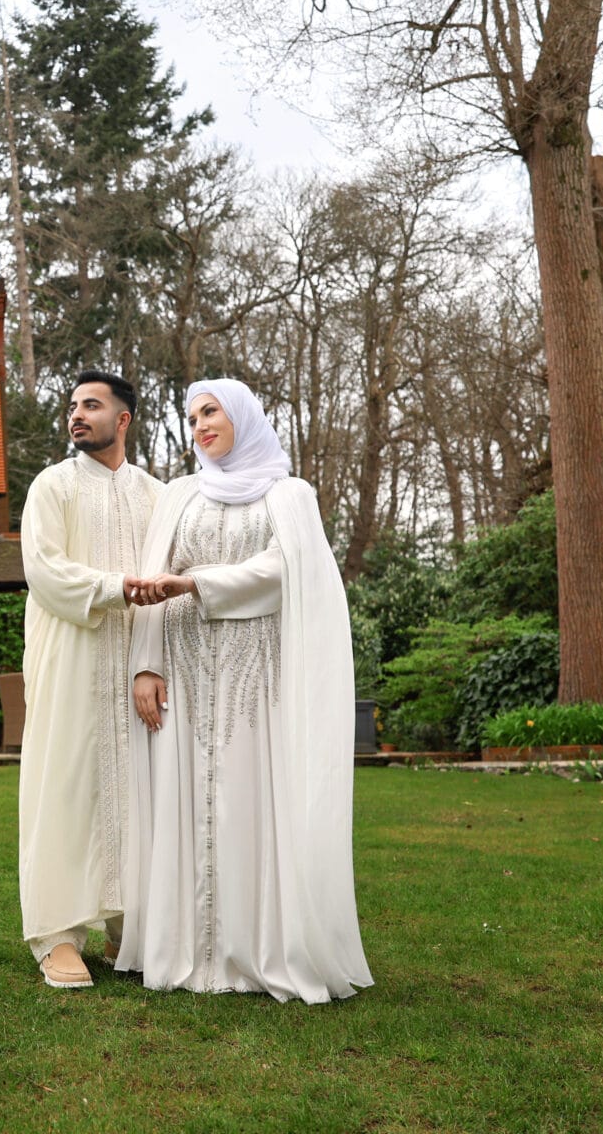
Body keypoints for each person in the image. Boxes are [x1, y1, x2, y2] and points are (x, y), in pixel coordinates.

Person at [115, 378, 372, 1003]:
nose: (200, 424)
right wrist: (145, 665)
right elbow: (155, 575)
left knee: (251, 798)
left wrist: (196, 584)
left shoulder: (290, 495)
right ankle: (184, 952)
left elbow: (287, 571)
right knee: (184, 797)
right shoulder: (180, 495)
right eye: (192, 415)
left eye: (212, 412)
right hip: (183, 669)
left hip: (256, 676)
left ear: (244, 418)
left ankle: (253, 953)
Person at [17, 370, 164, 989]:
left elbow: (167, 576)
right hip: (69, 657)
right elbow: (44, 570)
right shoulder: (52, 486)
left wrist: (152, 661)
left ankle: (130, 925)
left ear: (123, 419)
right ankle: (56, 936)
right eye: (73, 405)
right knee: (67, 784)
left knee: (141, 788)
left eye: (92, 405)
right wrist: (114, 588)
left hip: (135, 664)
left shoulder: (158, 496)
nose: (77, 414)